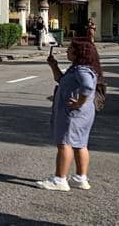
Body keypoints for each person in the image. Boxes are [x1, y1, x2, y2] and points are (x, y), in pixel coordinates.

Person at [36, 38, 102, 191]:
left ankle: (59, 179)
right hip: (83, 114)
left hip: (73, 113)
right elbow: (61, 80)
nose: (67, 51)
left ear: (79, 53)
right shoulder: (79, 68)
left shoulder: (81, 70)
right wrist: (54, 66)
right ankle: (80, 178)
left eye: (70, 49)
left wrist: (79, 102)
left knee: (65, 143)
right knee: (80, 144)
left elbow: (87, 85)